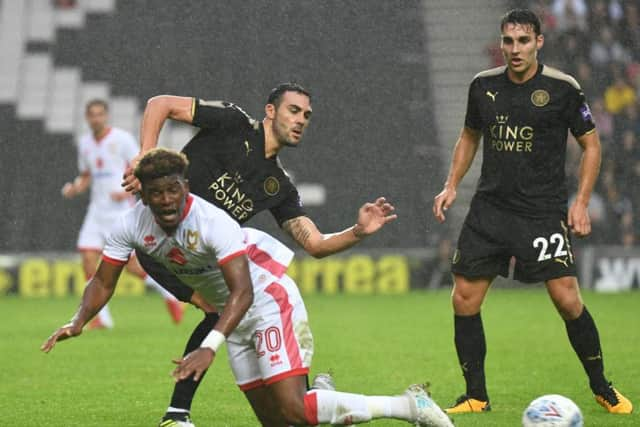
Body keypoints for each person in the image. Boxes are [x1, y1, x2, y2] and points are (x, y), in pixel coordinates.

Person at [42, 148, 453, 427]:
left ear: (185, 187)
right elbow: (103, 279)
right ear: (143, 196)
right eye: (155, 193)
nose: (166, 200)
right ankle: (324, 395)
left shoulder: (212, 222)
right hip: (233, 320)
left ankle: (407, 405)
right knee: (281, 422)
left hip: (266, 301)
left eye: (173, 190)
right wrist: (78, 320)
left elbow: (243, 291)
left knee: (293, 407)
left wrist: (209, 346)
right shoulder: (131, 224)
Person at [121, 83, 398, 425]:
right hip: (158, 245)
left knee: (217, 312)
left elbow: (314, 244)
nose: (301, 121)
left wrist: (356, 232)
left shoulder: (278, 185)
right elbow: (160, 104)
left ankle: (180, 412)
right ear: (270, 111)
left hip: (197, 259)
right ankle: (184, 410)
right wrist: (145, 160)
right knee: (215, 312)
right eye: (293, 111)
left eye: (307, 116)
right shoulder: (233, 122)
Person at [432, 9, 632, 415]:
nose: (515, 49)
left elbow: (591, 144)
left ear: (539, 42)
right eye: (508, 41)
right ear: (501, 44)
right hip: (489, 208)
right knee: (464, 298)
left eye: (523, 41)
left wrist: (579, 201)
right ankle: (475, 396)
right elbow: (469, 136)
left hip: (541, 211)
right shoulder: (482, 86)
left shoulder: (563, 89)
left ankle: (602, 386)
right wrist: (452, 184)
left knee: (567, 299)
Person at [62, 99, 184, 328]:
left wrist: (128, 190)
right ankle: (101, 318)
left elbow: (141, 166)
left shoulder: (121, 139)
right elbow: (88, 174)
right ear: (87, 118)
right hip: (96, 211)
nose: (96, 118)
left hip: (120, 211)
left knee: (132, 267)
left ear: (106, 116)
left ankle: (170, 293)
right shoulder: (85, 143)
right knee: (88, 258)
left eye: (100, 114)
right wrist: (76, 187)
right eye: (92, 115)